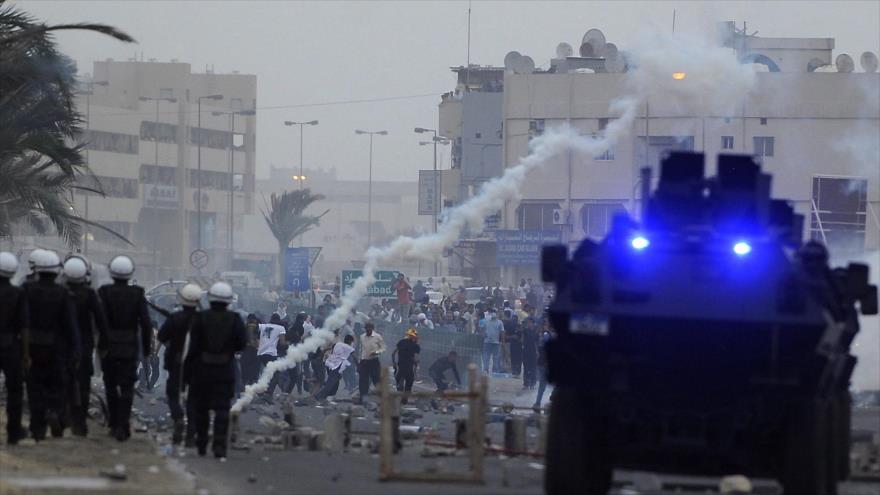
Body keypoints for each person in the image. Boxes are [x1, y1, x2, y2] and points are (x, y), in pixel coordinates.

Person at [184, 282, 247, 458]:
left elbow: (192, 348)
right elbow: (241, 344)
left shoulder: (200, 318)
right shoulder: (234, 319)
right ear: (228, 301)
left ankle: (202, 443)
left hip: (202, 370)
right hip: (225, 370)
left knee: (202, 408)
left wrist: (187, 374)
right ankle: (219, 445)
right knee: (222, 409)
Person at [24, 250, 80, 441]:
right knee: (57, 386)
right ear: (57, 272)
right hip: (56, 349)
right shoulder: (63, 293)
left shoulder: (27, 290)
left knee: (35, 388)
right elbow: (71, 325)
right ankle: (55, 412)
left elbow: (22, 321)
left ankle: (37, 427)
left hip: (31, 347)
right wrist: (76, 350)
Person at [98, 255, 151, 442]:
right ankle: (123, 424)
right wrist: (147, 349)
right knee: (127, 387)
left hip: (109, 346)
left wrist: (101, 344)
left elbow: (100, 320)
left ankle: (113, 423)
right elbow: (145, 323)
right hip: (129, 347)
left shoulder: (104, 292)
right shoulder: (137, 294)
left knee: (111, 385)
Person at [62, 256, 109, 437]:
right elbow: (101, 321)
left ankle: (63, 414)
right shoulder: (89, 295)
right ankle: (79, 421)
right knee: (83, 383)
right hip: (84, 344)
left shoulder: (61, 292)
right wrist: (103, 344)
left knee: (63, 380)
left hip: (63, 344)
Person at [157, 283, 201, 445]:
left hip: (176, 362)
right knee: (194, 398)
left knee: (173, 394)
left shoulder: (174, 318)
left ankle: (178, 417)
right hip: (197, 364)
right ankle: (191, 433)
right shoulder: (202, 319)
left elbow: (161, 336)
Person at [0, 252, 30, 445]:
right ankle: (13, 432)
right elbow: (25, 327)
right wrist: (26, 354)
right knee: (15, 391)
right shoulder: (18, 294)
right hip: (10, 346)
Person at [314, 334, 355, 402]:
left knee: (336, 381)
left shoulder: (338, 344)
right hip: (335, 367)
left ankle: (330, 396)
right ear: (350, 341)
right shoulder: (348, 347)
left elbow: (332, 352)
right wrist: (358, 364)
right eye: (352, 342)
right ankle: (319, 396)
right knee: (331, 382)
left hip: (330, 364)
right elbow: (354, 357)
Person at [256, 313, 286, 403]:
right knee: (276, 373)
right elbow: (282, 343)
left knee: (265, 373)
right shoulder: (281, 328)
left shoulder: (263, 326)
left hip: (260, 353)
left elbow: (253, 328)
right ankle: (268, 394)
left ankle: (261, 391)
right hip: (271, 353)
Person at [356, 322, 386, 402]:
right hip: (364, 361)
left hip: (374, 361)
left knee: (376, 379)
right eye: (366, 328)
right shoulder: (362, 337)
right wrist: (359, 362)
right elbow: (360, 350)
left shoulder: (377, 336)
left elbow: (383, 348)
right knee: (363, 380)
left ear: (372, 328)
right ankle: (363, 398)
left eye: (369, 328)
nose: (368, 330)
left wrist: (376, 352)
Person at [392, 329, 420, 402]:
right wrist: (416, 367)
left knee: (398, 377)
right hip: (409, 366)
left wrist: (394, 362)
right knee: (409, 381)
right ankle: (404, 398)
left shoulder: (401, 342)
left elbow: (394, 352)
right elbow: (416, 358)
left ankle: (400, 389)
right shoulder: (416, 346)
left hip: (400, 365)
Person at [534, 320, 553, 410]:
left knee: (543, 385)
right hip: (544, 363)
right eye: (545, 325)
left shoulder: (543, 335)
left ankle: (538, 403)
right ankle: (538, 402)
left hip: (543, 362)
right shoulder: (545, 335)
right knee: (543, 384)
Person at [521, 314, 539, 390]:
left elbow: (536, 343)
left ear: (533, 323)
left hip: (533, 352)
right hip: (526, 351)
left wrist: (537, 352)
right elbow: (522, 340)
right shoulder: (525, 331)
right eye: (528, 322)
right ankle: (526, 384)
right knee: (526, 368)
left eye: (530, 322)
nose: (529, 324)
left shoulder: (536, 332)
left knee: (533, 368)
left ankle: (532, 383)